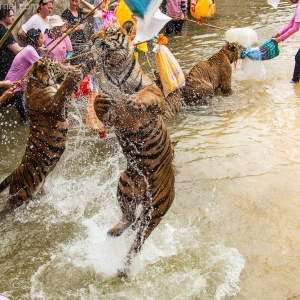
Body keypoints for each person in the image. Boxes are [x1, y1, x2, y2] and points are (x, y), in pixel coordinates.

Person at [4, 29, 43, 123]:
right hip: (13, 88)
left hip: (16, 87)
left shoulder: (29, 49)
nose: (43, 40)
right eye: (41, 38)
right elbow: (42, 66)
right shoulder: (30, 50)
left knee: (26, 117)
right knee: (26, 119)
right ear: (35, 39)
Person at [273, 0, 300, 82]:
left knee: (298, 58)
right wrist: (278, 34)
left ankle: (295, 82)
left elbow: (295, 28)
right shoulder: (298, 5)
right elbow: (291, 23)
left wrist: (280, 39)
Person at [61, 0, 93, 65]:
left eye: (76, 1)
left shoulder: (79, 10)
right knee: (75, 63)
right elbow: (63, 30)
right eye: (73, 1)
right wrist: (76, 28)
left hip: (82, 41)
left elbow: (93, 10)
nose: (74, 3)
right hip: (72, 43)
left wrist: (83, 1)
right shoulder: (66, 14)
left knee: (84, 62)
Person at [0, 7, 23, 81]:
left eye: (13, 15)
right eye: (10, 16)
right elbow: (17, 50)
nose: (13, 18)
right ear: (3, 17)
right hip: (5, 68)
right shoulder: (4, 31)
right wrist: (32, 48)